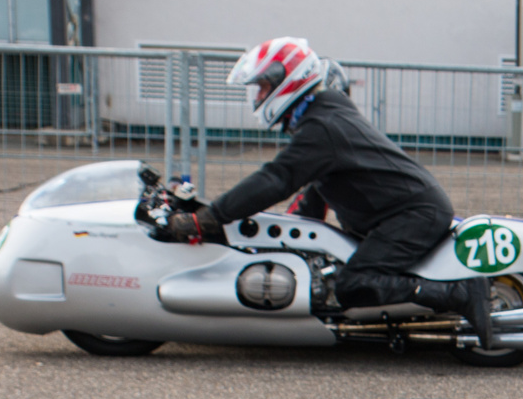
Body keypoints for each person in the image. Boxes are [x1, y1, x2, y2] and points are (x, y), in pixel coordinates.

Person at [167, 37, 493, 345]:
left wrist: (208, 218)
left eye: (264, 86)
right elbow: (318, 186)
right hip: (402, 212)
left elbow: (275, 179)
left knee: (355, 285)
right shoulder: (324, 117)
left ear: (288, 81)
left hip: (412, 215)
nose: (258, 96)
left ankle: (460, 292)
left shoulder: (322, 126)